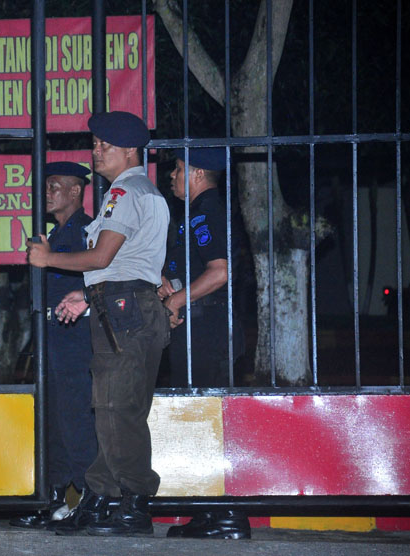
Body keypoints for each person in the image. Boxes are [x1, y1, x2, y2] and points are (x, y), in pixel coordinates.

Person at [27, 111, 170, 537]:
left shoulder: (127, 190)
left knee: (115, 409)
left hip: (125, 310)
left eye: (104, 145)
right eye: (94, 143)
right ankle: (104, 498)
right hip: (122, 305)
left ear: (129, 150)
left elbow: (104, 257)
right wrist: (87, 295)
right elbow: (129, 264)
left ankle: (134, 501)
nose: (96, 151)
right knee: (114, 408)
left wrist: (48, 258)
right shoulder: (140, 191)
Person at [158, 147, 250, 539]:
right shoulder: (194, 212)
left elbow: (219, 272)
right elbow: (188, 267)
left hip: (209, 329)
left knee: (210, 422)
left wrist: (177, 301)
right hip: (197, 328)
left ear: (196, 172)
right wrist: (168, 288)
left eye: (178, 169)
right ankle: (210, 511)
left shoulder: (206, 208)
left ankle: (227, 515)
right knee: (199, 420)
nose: (172, 176)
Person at [10, 161, 97, 530]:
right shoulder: (52, 234)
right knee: (53, 422)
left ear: (76, 192)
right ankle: (55, 495)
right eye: (45, 186)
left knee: (77, 419)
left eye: (55, 186)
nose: (46, 192)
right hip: (51, 341)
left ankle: (92, 495)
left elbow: (100, 276)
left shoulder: (87, 231)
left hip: (76, 341)